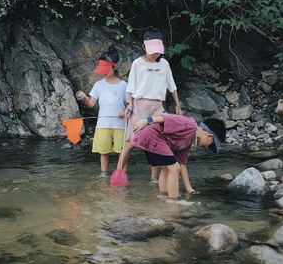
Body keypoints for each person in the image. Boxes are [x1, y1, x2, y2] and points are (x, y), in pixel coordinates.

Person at [117, 29, 182, 182]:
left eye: (157, 51)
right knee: (130, 143)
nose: (155, 54)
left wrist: (178, 106)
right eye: (152, 51)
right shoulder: (138, 64)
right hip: (139, 105)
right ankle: (119, 174)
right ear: (144, 47)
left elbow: (171, 86)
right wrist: (129, 106)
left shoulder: (164, 64)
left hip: (157, 106)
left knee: (156, 141)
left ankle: (154, 177)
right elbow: (131, 88)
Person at [129, 115, 226, 200]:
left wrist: (189, 189)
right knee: (174, 169)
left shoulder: (188, 140)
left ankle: (163, 196)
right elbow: (166, 118)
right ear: (209, 136)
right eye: (211, 145)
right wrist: (147, 121)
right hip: (152, 136)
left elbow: (182, 164)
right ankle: (173, 202)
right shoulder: (190, 125)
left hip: (152, 138)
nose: (207, 147)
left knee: (166, 169)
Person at [75, 46, 128, 178]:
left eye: (106, 69)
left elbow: (130, 105)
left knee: (122, 151)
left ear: (115, 67)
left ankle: (120, 174)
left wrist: (125, 111)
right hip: (103, 123)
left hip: (120, 124)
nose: (103, 73)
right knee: (104, 151)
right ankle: (104, 175)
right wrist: (85, 98)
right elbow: (92, 103)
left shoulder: (123, 85)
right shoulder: (99, 85)